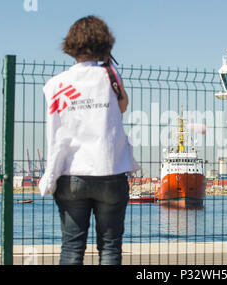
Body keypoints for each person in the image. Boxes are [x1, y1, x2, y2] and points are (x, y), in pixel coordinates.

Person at [38, 15, 139, 265]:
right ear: (105, 44)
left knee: (72, 248)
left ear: (71, 45)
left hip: (71, 174)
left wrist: (50, 176)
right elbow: (123, 106)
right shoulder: (111, 76)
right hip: (110, 171)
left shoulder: (55, 85)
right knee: (110, 248)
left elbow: (56, 136)